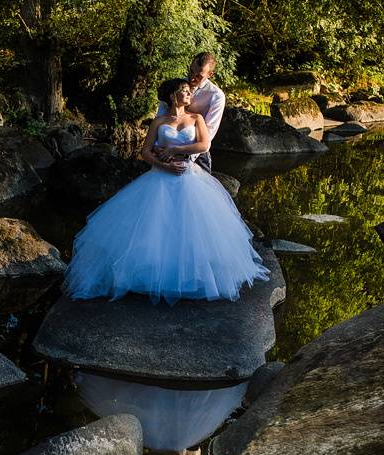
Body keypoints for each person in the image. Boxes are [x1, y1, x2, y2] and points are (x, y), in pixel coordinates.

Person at [62, 77, 269, 306]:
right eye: (185, 91)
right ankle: (150, 274)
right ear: (173, 96)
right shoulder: (159, 122)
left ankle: (191, 275)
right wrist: (165, 165)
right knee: (155, 226)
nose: (190, 95)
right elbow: (145, 151)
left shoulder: (196, 118)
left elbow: (204, 145)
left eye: (190, 91)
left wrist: (175, 148)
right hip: (161, 176)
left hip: (189, 175)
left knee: (191, 227)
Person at [155, 52, 225, 173]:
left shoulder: (216, 96)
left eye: (199, 76)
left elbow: (209, 132)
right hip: (165, 151)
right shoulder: (176, 86)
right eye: (191, 71)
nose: (192, 78)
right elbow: (160, 118)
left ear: (210, 74)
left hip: (197, 154)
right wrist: (158, 149)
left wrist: (184, 156)